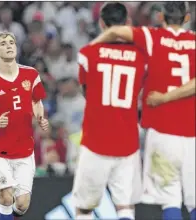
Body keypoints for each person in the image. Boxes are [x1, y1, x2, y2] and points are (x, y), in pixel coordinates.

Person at [91, 2, 195, 220]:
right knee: (194, 201)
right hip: (193, 133)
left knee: (170, 199)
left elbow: (117, 30)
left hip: (162, 133)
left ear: (160, 17)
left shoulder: (151, 37)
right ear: (187, 18)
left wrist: (94, 47)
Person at [72, 3, 147, 220]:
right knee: (125, 207)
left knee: (84, 208)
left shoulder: (88, 53)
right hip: (127, 141)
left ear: (101, 23)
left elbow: (86, 90)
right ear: (128, 23)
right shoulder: (141, 57)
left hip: (96, 140)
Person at [0, 31, 49, 220]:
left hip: (24, 149)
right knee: (5, 197)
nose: (9, 45)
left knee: (21, 205)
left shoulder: (31, 74)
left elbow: (37, 101)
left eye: (12, 42)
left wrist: (40, 117)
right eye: (4, 43)